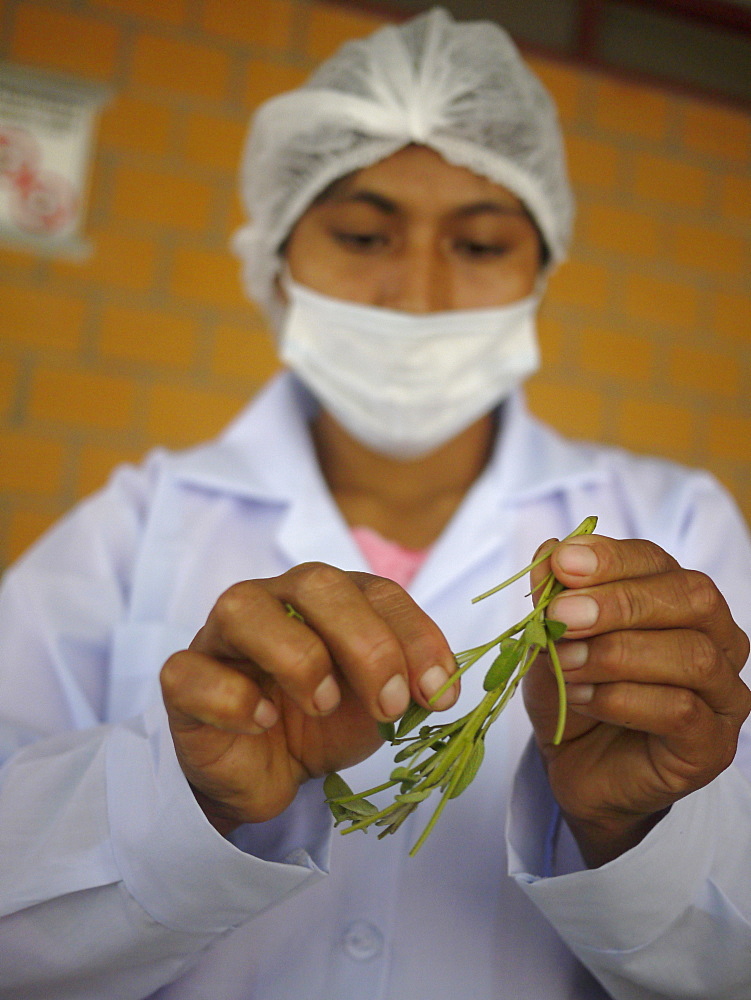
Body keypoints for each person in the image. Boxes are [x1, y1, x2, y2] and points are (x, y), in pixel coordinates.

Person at [1, 8, 749, 999]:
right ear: (276, 257)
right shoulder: (139, 523)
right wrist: (182, 801)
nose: (417, 291)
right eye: (362, 232)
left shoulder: (676, 526)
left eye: (480, 244)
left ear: (540, 275)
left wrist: (633, 829)